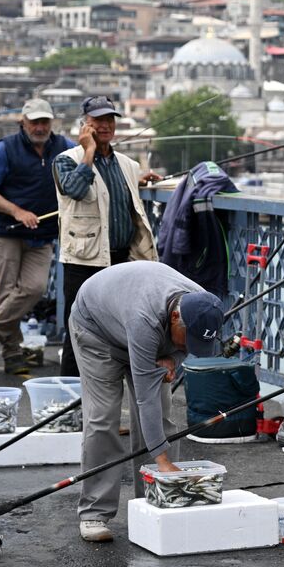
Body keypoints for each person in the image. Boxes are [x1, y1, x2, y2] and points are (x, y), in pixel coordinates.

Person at [72, 260, 223, 542]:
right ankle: (95, 512)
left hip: (144, 331)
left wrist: (173, 356)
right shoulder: (144, 318)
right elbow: (144, 399)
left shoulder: (203, 306)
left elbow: (188, 347)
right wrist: (163, 461)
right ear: (177, 318)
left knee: (162, 420)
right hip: (97, 331)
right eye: (187, 340)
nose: (189, 347)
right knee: (103, 418)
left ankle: (154, 502)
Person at [0, 98, 74, 376]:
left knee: (34, 289)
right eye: (34, 122)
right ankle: (12, 354)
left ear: (52, 123)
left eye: (44, 122)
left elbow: (92, 161)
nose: (40, 127)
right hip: (6, 232)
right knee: (6, 295)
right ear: (22, 123)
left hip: (42, 233)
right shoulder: (4, 149)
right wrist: (17, 211)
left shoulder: (64, 147)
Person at [53, 95, 162, 376]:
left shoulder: (126, 165)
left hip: (121, 259)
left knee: (117, 329)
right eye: (98, 120)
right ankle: (71, 402)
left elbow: (109, 192)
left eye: (110, 120)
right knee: (78, 330)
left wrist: (137, 182)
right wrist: (88, 151)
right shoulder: (66, 160)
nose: (105, 125)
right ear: (85, 125)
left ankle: (104, 399)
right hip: (84, 260)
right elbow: (76, 189)